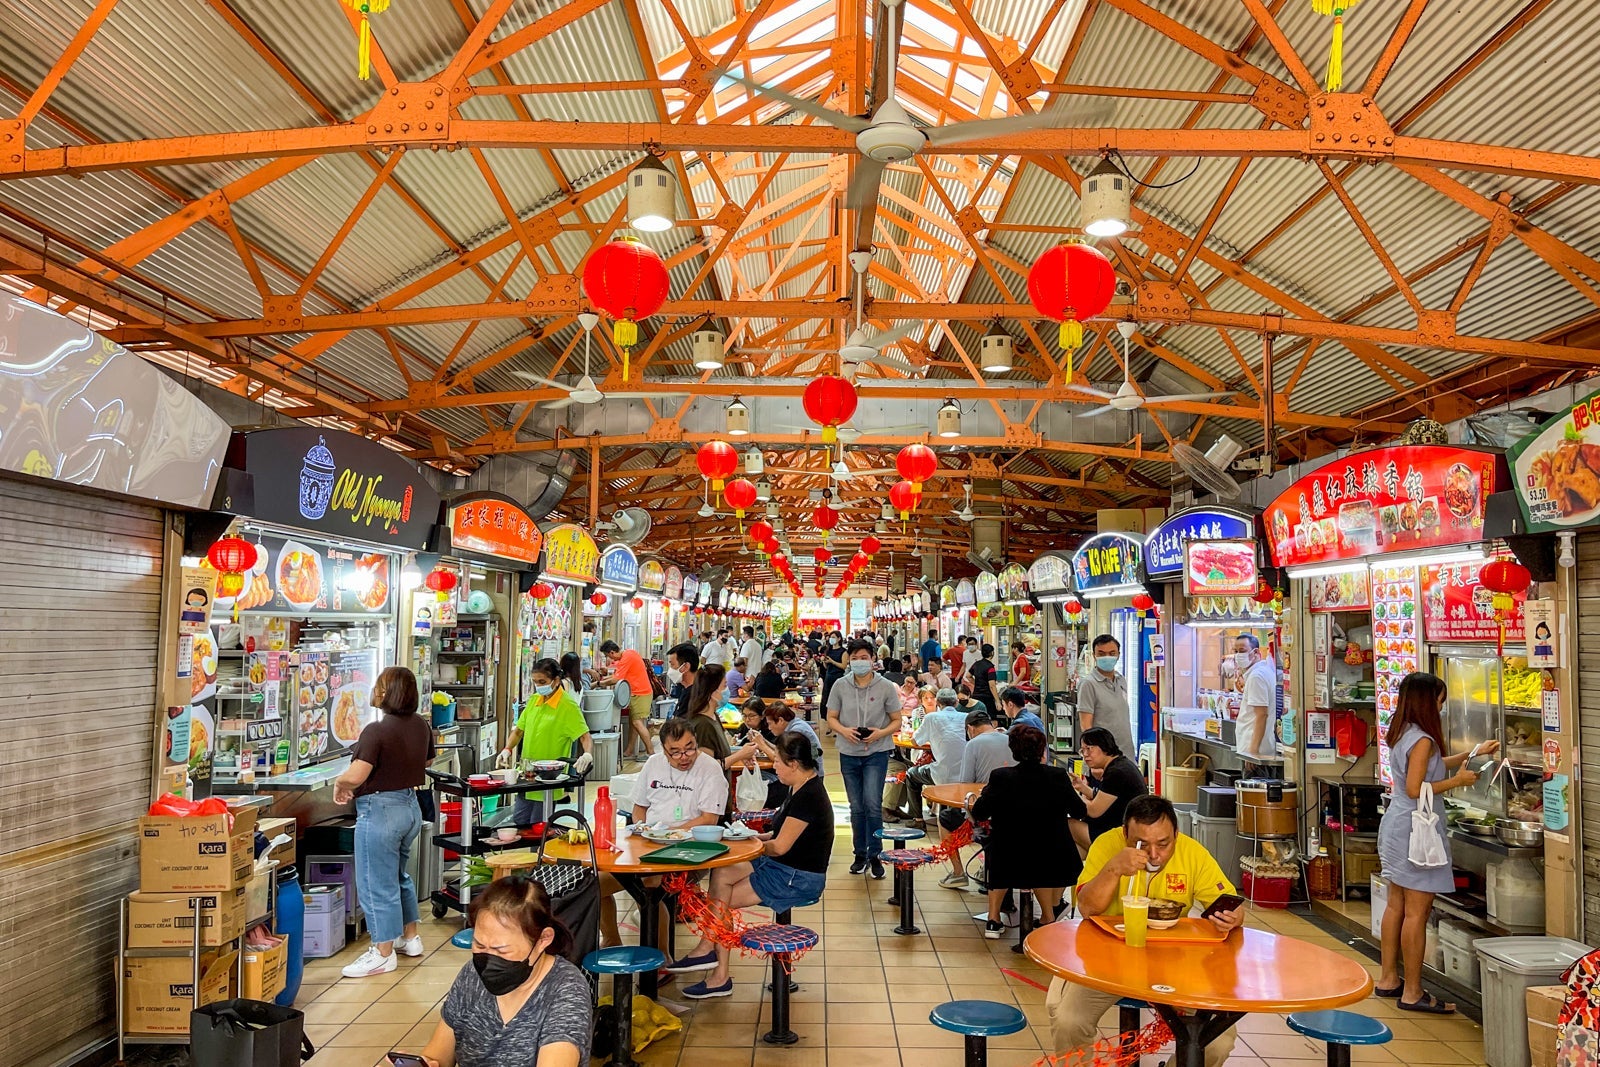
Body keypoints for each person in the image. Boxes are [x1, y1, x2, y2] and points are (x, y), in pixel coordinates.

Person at [1048, 795, 1245, 1065]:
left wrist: (1232, 917)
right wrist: (1114, 869)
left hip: (1174, 962)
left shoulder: (1193, 853)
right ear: (1124, 834)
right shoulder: (1107, 845)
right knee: (1069, 1020)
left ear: (1176, 833)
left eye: (1163, 844)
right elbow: (1087, 908)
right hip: (1106, 958)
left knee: (1217, 1040)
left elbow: (1230, 905)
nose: (1153, 854)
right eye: (1141, 844)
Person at [669, 732, 834, 997]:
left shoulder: (809, 796)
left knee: (720, 901)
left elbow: (780, 846)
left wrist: (748, 846)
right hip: (781, 865)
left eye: (778, 761)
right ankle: (712, 961)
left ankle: (714, 963)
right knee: (722, 870)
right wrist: (750, 837)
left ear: (793, 764)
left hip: (797, 876)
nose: (774, 766)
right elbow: (775, 836)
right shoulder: (799, 786)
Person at [1376, 671, 1496, 1013]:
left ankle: (1389, 979)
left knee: (1395, 904)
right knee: (1417, 911)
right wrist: (1459, 781)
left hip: (1399, 825)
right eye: (1440, 701)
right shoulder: (1424, 738)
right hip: (1417, 831)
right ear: (1429, 701)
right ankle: (1413, 991)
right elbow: (1418, 788)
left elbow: (1427, 769)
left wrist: (1470, 754)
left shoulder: (1404, 732)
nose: (1442, 707)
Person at [410, 876, 592, 1067]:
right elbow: (438, 1054)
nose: (488, 960)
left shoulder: (566, 989)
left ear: (543, 940)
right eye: (479, 945)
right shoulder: (471, 976)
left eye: (501, 950)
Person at [333, 666, 433, 978]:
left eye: (379, 686)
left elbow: (358, 774)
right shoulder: (421, 726)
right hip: (410, 806)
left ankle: (382, 952)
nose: (374, 691)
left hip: (380, 811)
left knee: (377, 883)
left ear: (390, 693)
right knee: (398, 876)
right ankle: (410, 938)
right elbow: (427, 761)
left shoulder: (376, 731)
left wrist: (340, 782)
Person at [599, 720, 729, 948]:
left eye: (690, 748)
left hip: (690, 852)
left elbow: (709, 819)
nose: (684, 756)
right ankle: (611, 941)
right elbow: (639, 808)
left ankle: (661, 958)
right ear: (664, 750)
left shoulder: (710, 768)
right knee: (595, 885)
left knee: (650, 885)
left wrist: (670, 835)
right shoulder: (653, 763)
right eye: (675, 752)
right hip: (648, 846)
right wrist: (644, 829)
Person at [971, 725, 1082, 940]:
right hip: (1050, 855)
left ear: (1014, 750)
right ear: (1042, 750)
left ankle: (993, 919)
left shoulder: (1001, 776)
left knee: (998, 852)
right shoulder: (1058, 776)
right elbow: (1079, 810)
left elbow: (980, 812)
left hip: (1008, 855)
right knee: (1043, 856)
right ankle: (1048, 916)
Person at [826, 639, 902, 879]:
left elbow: (896, 720)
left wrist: (879, 733)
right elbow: (831, 717)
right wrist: (844, 730)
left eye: (864, 657)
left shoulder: (886, 687)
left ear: (873, 660)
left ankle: (876, 855)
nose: (860, 662)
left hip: (876, 752)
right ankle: (860, 854)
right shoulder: (840, 685)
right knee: (856, 806)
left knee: (872, 804)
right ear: (849, 660)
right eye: (855, 658)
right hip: (848, 753)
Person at [497, 659, 594, 825]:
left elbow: (585, 736)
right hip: (528, 775)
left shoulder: (567, 706)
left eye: (542, 682)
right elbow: (519, 731)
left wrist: (587, 754)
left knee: (539, 827)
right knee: (520, 822)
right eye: (535, 682)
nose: (538, 686)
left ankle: (541, 852)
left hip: (549, 778)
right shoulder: (534, 700)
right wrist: (507, 749)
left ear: (556, 680)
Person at [903, 688, 968, 841]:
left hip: (942, 772)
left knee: (911, 774)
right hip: (967, 773)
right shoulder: (966, 717)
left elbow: (915, 741)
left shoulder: (932, 718)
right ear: (957, 702)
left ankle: (918, 820)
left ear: (938, 702)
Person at [1071, 726, 1148, 847]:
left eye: (1089, 749)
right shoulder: (1121, 764)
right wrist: (1082, 788)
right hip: (1121, 828)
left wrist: (1073, 794)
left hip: (1119, 835)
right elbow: (1104, 798)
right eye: (1082, 750)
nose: (1085, 755)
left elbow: (1093, 811)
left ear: (1104, 747)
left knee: (1067, 823)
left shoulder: (1116, 772)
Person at [594, 640, 653, 760]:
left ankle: (651, 753)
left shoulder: (626, 658)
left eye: (607, 656)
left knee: (637, 723)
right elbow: (616, 676)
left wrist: (598, 683)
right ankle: (629, 751)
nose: (609, 659)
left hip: (640, 693)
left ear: (611, 652)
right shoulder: (629, 654)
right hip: (640, 692)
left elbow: (616, 679)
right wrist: (601, 681)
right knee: (634, 724)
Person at [1077, 634, 1131, 759]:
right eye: (1101, 654)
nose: (1107, 657)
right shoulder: (1088, 684)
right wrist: (1093, 758)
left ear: (1118, 655)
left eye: (1112, 653)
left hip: (1125, 752)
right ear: (1094, 656)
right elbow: (1086, 727)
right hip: (1103, 757)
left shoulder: (1121, 679)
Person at [1233, 633, 1279, 775]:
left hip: (1255, 753)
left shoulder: (1256, 677)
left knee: (1253, 797)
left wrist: (1252, 751)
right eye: (1236, 651)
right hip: (1259, 750)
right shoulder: (1263, 672)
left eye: (1242, 651)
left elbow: (1261, 715)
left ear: (1256, 652)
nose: (1238, 655)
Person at [683, 663, 733, 762]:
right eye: (725, 685)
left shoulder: (713, 716)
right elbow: (708, 767)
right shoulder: (703, 725)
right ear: (712, 691)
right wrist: (741, 755)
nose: (727, 690)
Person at [965, 642, 1000, 719]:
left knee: (977, 719)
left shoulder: (976, 664)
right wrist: (998, 701)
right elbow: (992, 686)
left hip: (976, 696)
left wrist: (977, 683)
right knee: (990, 719)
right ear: (992, 653)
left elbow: (968, 676)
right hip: (987, 697)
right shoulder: (990, 667)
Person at [664, 642, 699, 718]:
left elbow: (679, 726)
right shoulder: (687, 689)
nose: (670, 670)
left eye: (672, 665)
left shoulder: (693, 694)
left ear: (686, 666)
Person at [819, 630, 848, 710]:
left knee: (836, 697)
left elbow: (843, 666)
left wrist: (832, 661)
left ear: (839, 639)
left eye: (833, 637)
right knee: (826, 696)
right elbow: (826, 667)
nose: (831, 639)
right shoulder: (828, 650)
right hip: (828, 676)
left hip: (838, 676)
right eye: (830, 638)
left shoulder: (843, 651)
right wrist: (824, 661)